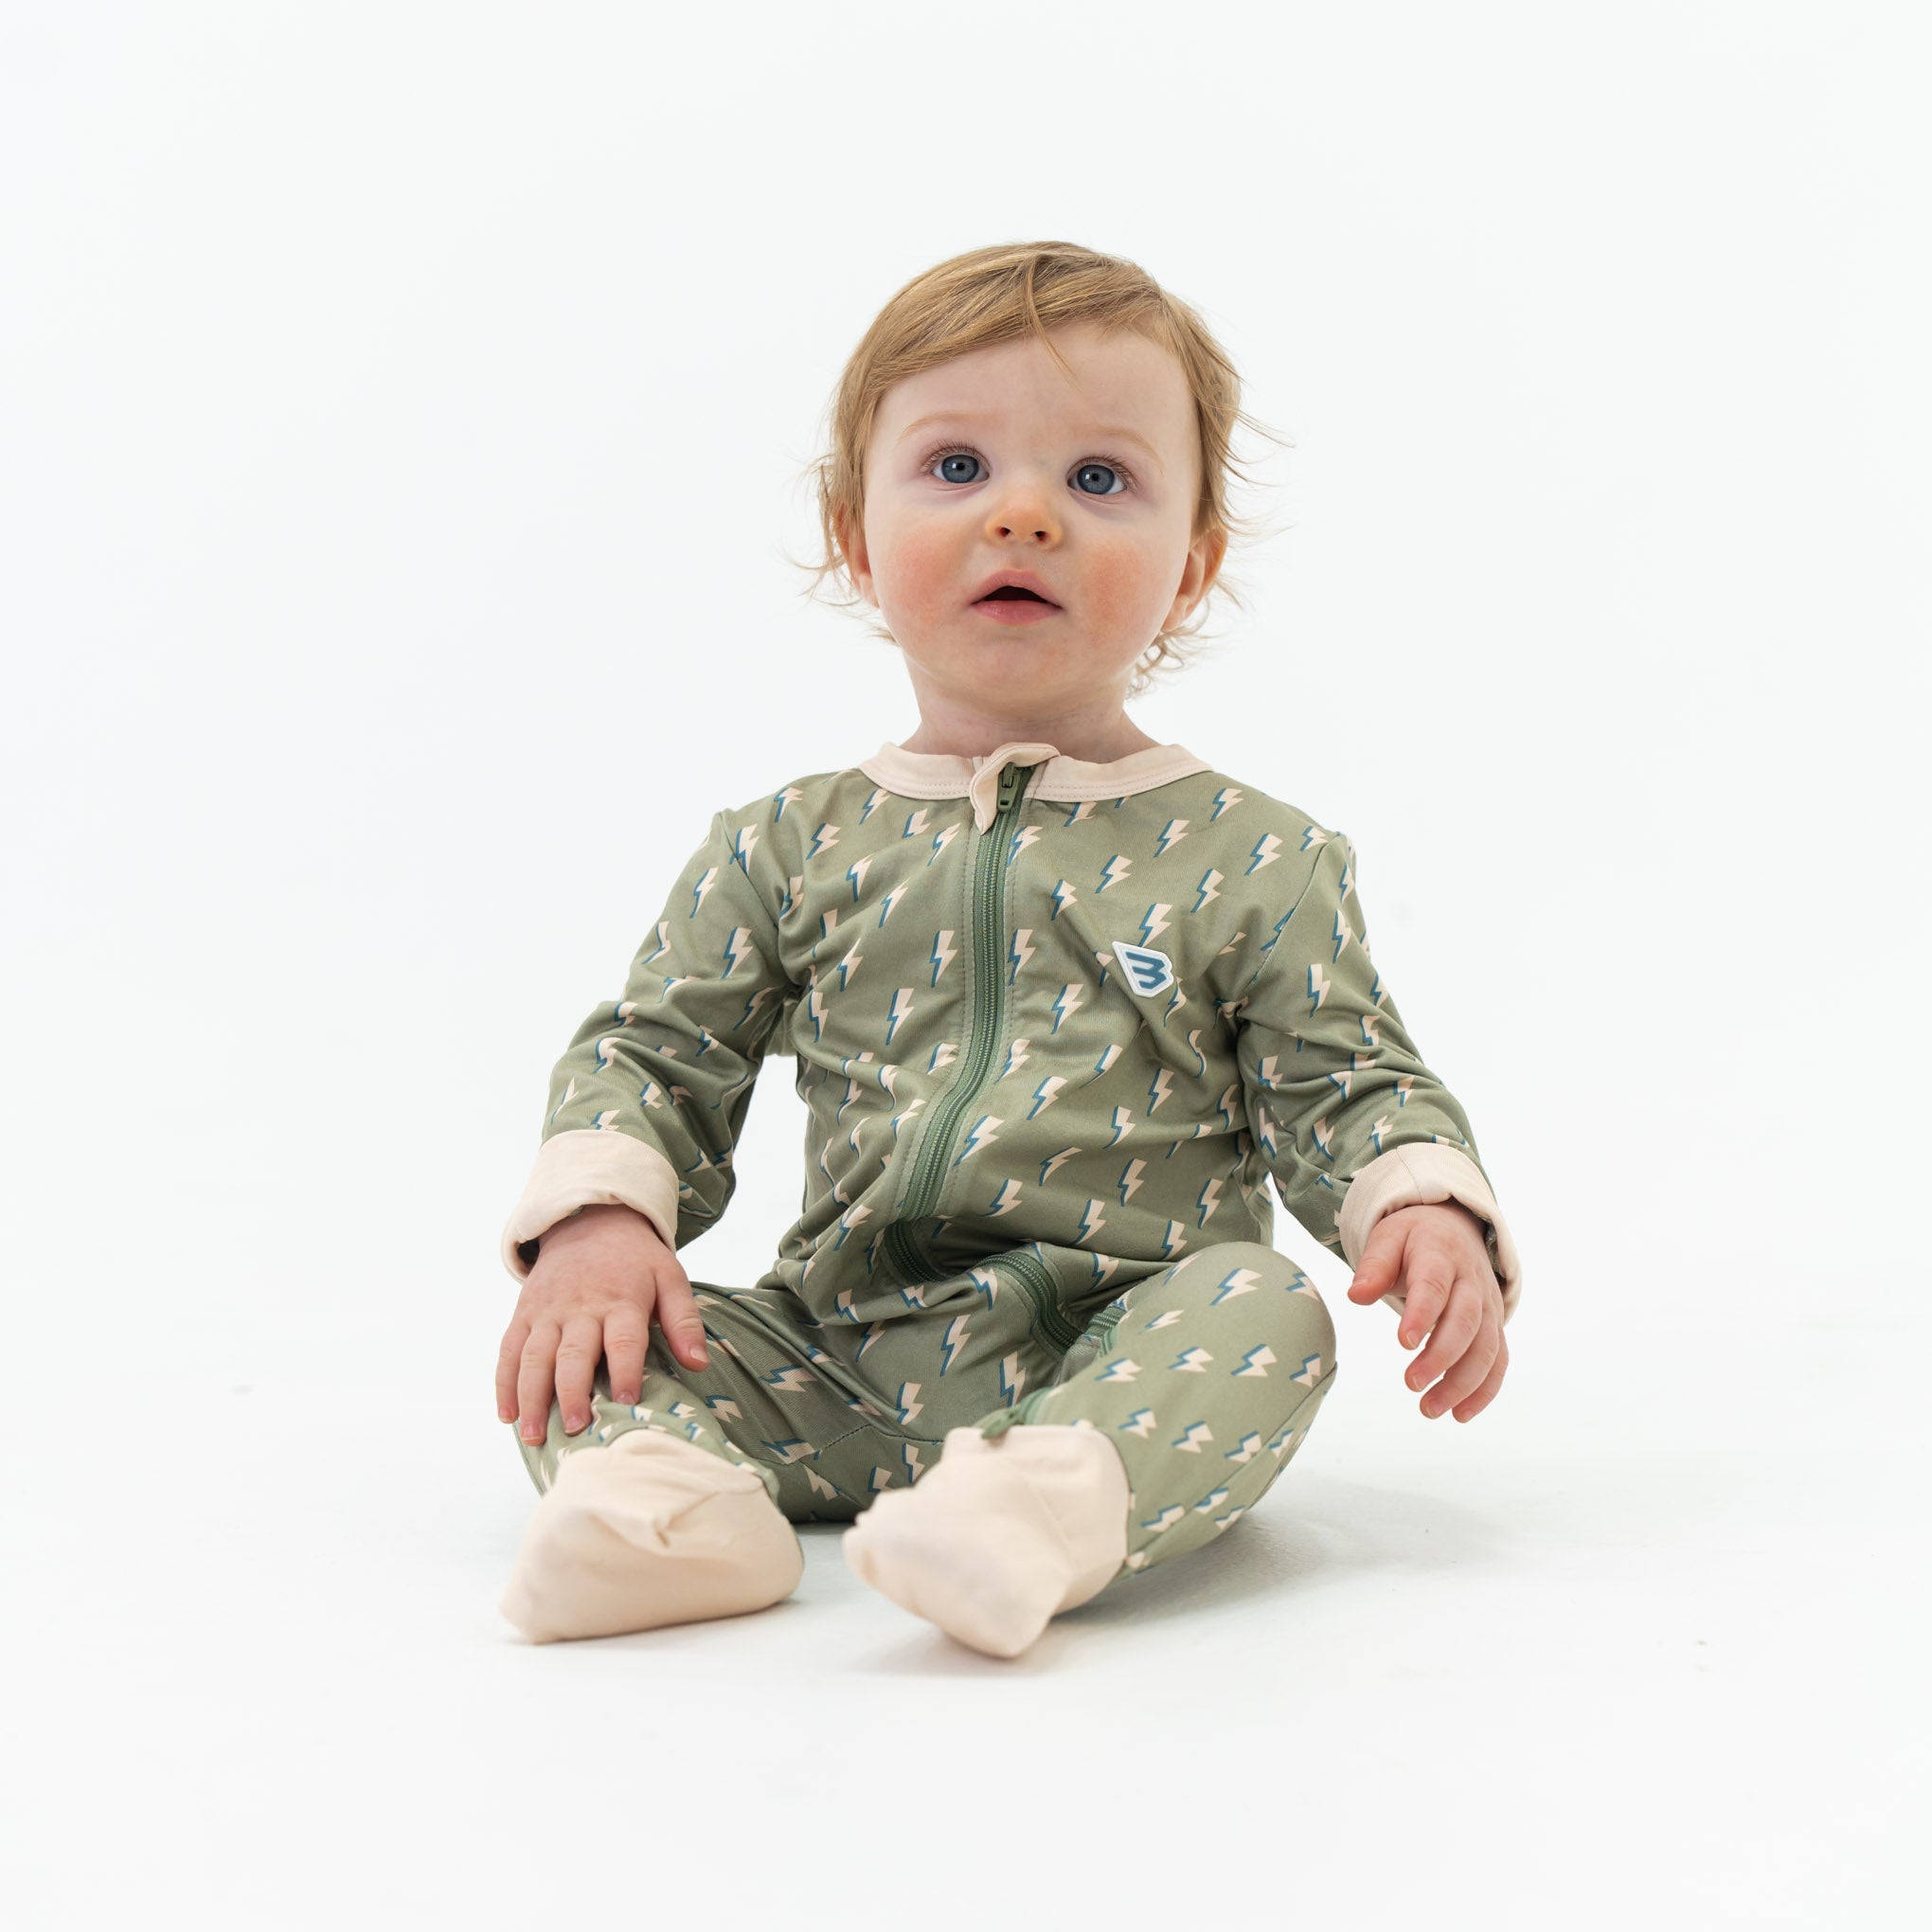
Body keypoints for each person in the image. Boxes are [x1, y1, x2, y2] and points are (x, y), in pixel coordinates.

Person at [492, 241, 1525, 1658]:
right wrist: (602, 1224)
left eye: (1098, 478)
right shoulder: (786, 846)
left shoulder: (1253, 859)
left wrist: (1421, 1206)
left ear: (1191, 566)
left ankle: (1040, 1508)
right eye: (958, 467)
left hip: (1117, 1350)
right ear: (857, 538)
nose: (1024, 514)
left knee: (1272, 1312)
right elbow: (656, 1054)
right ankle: (664, 1509)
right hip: (837, 1354)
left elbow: (1348, 1081)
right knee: (587, 1344)